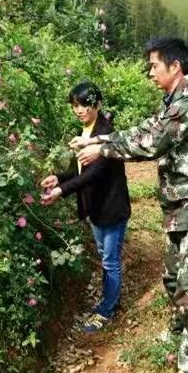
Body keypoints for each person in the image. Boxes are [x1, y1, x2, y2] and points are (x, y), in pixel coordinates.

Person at [73, 38, 188, 373]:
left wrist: (103, 147)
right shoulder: (172, 103)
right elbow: (146, 129)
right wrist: (102, 140)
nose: (150, 72)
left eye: (153, 66)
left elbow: (155, 141)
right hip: (183, 208)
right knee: (174, 276)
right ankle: (179, 333)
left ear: (175, 67)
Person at [40, 81, 131, 333]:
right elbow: (81, 169)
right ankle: (109, 299)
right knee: (105, 256)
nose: (79, 110)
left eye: (84, 105)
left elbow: (95, 173)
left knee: (110, 260)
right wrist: (59, 177)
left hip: (111, 209)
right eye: (75, 106)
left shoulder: (106, 132)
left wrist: (61, 191)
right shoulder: (86, 129)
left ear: (97, 104)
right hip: (96, 209)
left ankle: (107, 310)